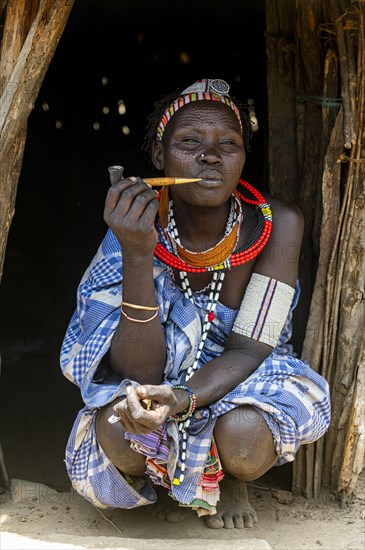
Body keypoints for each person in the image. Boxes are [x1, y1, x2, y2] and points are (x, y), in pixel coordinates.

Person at [60, 78, 331, 529]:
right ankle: (169, 484)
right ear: (160, 157)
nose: (211, 156)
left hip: (246, 375)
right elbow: (139, 373)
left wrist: (183, 398)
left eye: (229, 143)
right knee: (119, 431)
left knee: (243, 437)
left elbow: (249, 349)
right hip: (152, 380)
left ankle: (231, 480)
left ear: (244, 156)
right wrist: (137, 252)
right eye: (190, 142)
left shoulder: (277, 223)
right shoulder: (135, 228)